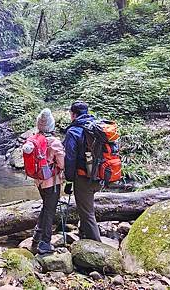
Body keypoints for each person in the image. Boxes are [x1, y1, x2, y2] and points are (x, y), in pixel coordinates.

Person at [23, 108, 65, 254]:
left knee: (46, 207)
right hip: (52, 182)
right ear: (51, 125)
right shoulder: (54, 142)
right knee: (50, 210)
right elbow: (62, 163)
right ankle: (45, 243)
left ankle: (36, 236)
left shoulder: (34, 140)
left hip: (39, 180)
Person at [63, 101, 101, 242]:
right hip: (101, 174)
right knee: (85, 207)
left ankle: (99, 249)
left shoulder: (73, 131)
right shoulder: (96, 127)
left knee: (87, 213)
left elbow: (70, 158)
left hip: (84, 176)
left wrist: (68, 180)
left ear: (73, 114)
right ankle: (83, 234)